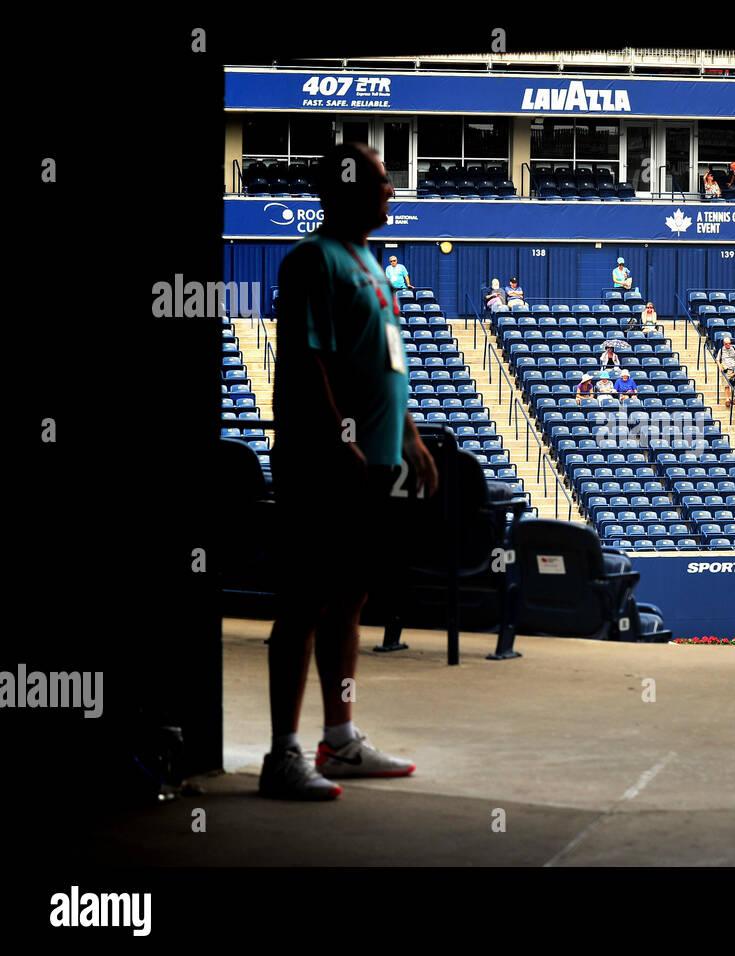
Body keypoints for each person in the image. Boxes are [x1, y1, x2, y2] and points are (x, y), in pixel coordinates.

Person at [265, 142, 438, 800]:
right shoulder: (312, 259)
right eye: (381, 184)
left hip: (377, 465)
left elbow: (387, 363)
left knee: (350, 599)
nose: (391, 193)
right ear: (342, 190)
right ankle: (282, 752)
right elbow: (305, 359)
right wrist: (340, 440)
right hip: (327, 465)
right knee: (305, 600)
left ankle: (338, 739)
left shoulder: (369, 261)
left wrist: (413, 436)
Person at [717, 336, 735, 406]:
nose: (728, 345)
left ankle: (734, 398)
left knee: (734, 385)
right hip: (726, 369)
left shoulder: (734, 348)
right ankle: (727, 399)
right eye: (726, 344)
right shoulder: (721, 350)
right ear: (723, 343)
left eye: (729, 343)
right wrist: (720, 367)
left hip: (734, 369)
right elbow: (717, 360)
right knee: (726, 385)